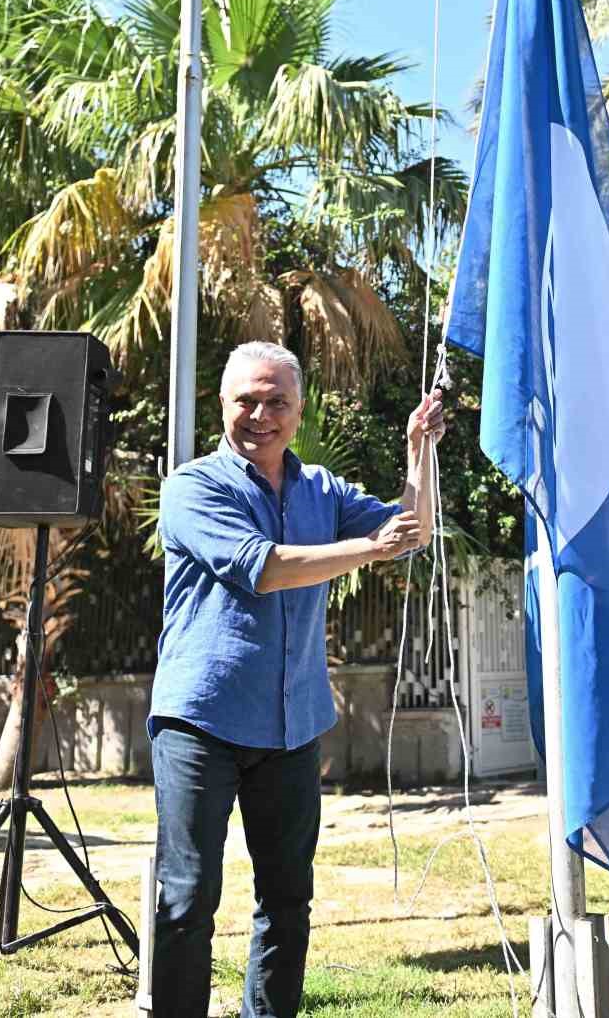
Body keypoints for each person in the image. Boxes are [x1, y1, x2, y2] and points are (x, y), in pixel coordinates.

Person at [150, 341, 445, 1017]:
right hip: (202, 721)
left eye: (276, 401)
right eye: (246, 401)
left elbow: (412, 533)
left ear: (298, 409)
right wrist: (368, 548)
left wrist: (417, 452)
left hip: (291, 723)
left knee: (287, 901)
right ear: (222, 405)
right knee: (187, 895)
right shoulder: (193, 488)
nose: (261, 415)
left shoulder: (322, 492)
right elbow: (267, 567)